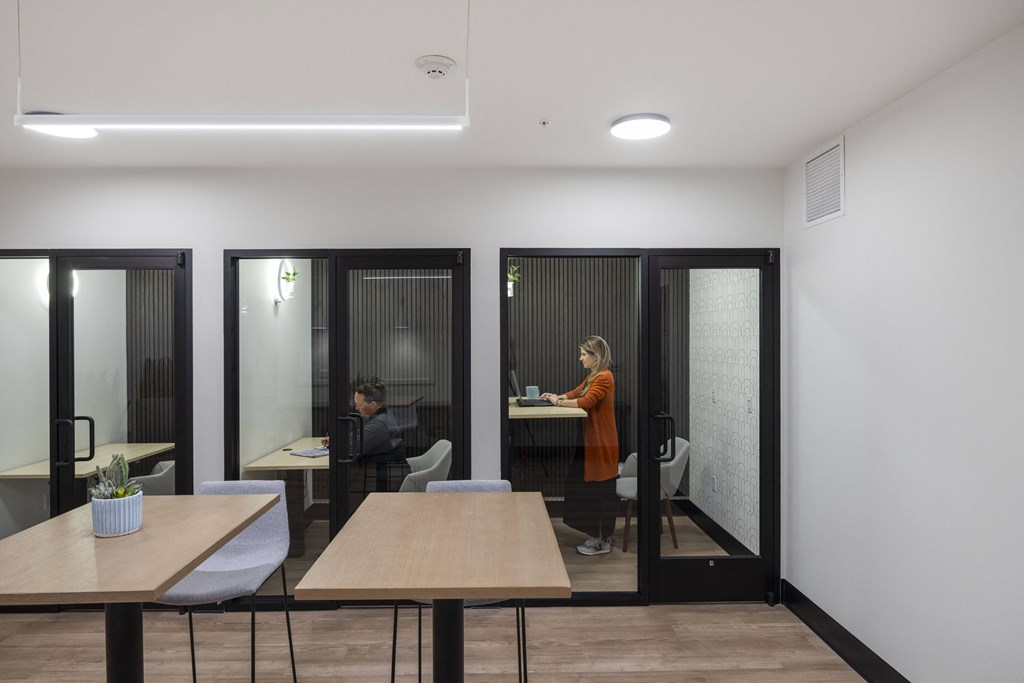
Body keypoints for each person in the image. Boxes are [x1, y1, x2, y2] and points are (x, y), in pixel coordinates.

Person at [541, 335, 619, 556]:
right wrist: (556, 396)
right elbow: (576, 393)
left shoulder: (604, 377)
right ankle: (595, 536)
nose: (580, 358)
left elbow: (586, 402)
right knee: (584, 487)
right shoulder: (593, 376)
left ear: (596, 357)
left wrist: (559, 402)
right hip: (589, 443)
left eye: (584, 354)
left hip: (601, 445)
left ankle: (602, 540)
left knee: (599, 491)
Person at [323, 381, 404, 491]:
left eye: (359, 405)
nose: (356, 409)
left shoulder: (379, 424)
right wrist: (337, 439)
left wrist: (335, 444)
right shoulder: (382, 416)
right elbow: (359, 434)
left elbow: (353, 449)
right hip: (382, 465)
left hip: (384, 468)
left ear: (373, 404)